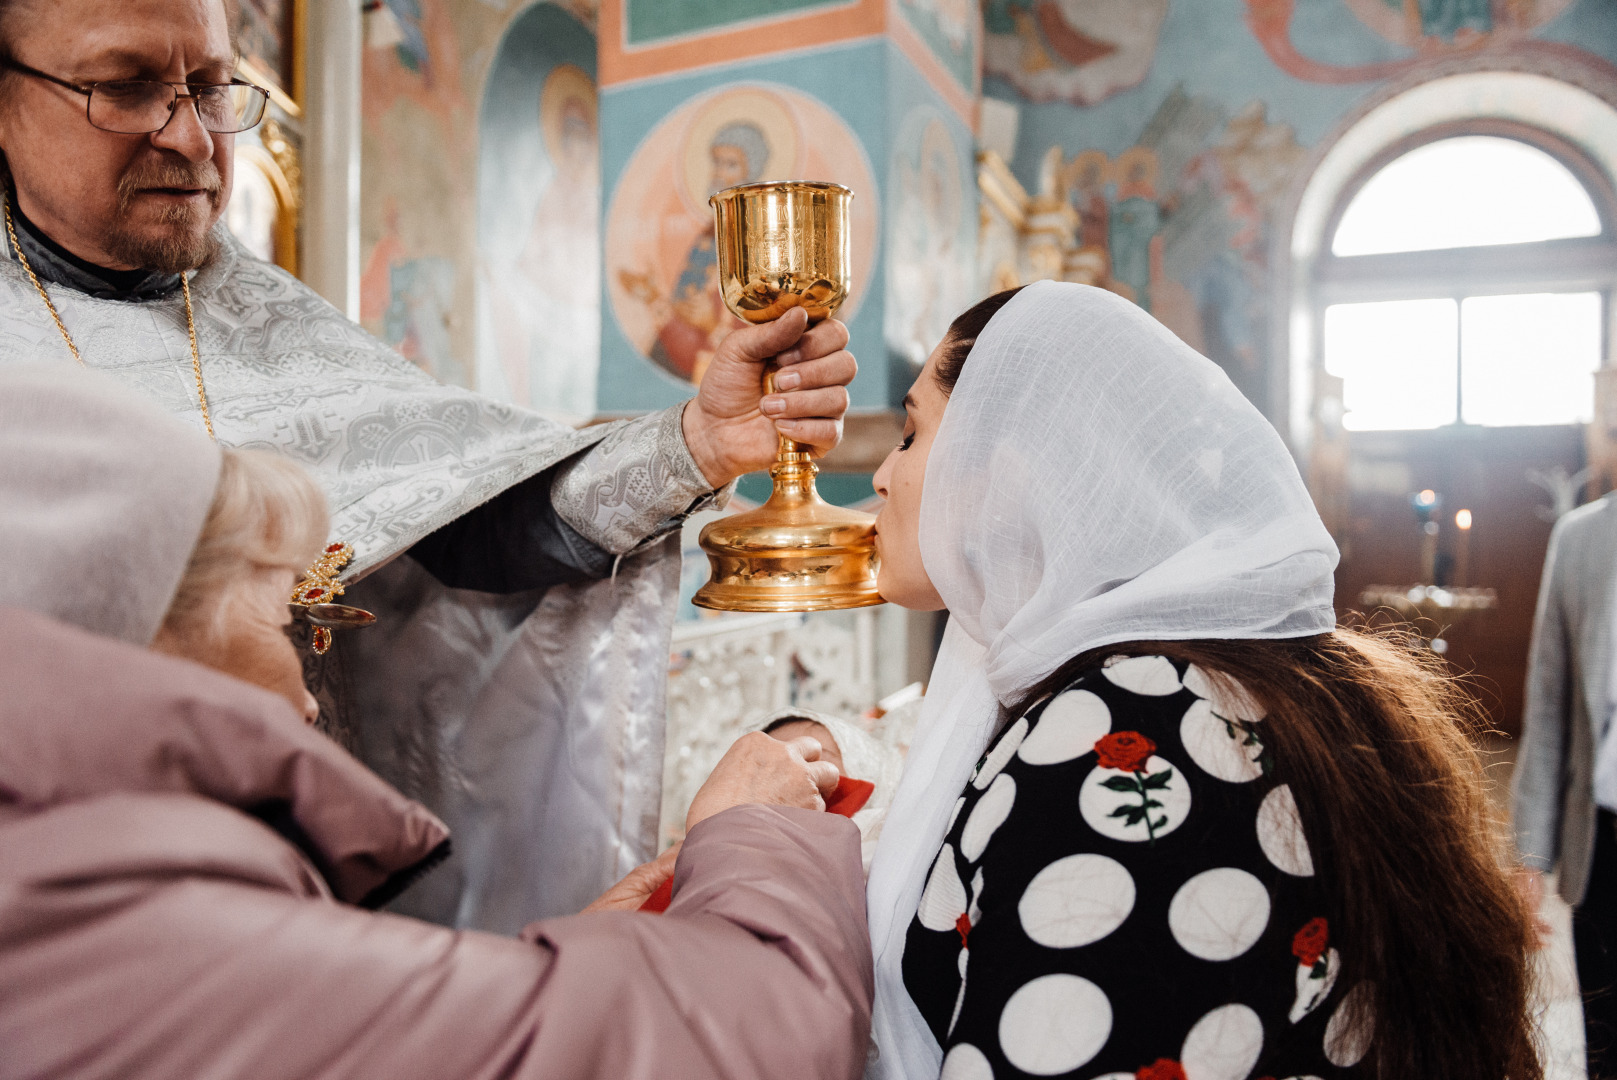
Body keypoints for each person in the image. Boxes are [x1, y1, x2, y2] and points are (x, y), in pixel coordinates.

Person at [0, 0, 859, 929]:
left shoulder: (264, 312)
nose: (192, 138)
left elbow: (469, 520)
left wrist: (697, 444)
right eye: (127, 88)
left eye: (211, 88)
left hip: (321, 886)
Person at [0, 362, 872, 1080]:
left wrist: (551, 970)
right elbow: (741, 1041)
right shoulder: (146, 929)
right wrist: (752, 834)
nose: (314, 702)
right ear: (151, 636)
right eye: (277, 624)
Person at [859, 282, 1539, 1078]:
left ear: (1004, 472)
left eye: (909, 435)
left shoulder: (1120, 739)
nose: (878, 475)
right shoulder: (1226, 684)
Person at [1514, 480, 1617, 1075]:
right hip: (1602, 845)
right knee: (1605, 1047)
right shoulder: (1581, 538)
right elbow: (1549, 706)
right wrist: (1530, 858)